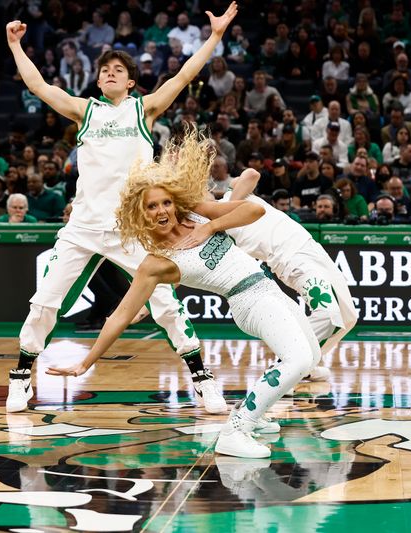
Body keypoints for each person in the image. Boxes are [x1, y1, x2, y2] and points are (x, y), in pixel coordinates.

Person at [4, 4, 238, 414]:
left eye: (118, 69)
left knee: (165, 304)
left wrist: (214, 37)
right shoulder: (84, 110)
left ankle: (202, 381)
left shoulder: (144, 108)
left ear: (131, 81)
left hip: (132, 230)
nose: (109, 72)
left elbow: (184, 76)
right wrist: (15, 46)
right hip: (83, 227)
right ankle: (21, 378)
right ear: (97, 79)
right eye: (104, 69)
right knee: (44, 302)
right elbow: (40, 86)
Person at [47, 130, 320, 459]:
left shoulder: (195, 213)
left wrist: (209, 225)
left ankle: (257, 414)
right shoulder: (156, 263)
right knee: (298, 359)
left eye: (165, 202)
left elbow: (254, 212)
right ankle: (237, 429)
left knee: (312, 356)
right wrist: (85, 362)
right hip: (248, 300)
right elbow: (119, 315)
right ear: (140, 214)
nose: (161, 210)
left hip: (267, 287)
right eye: (151, 206)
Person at [226, 171, 357, 363]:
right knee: (328, 315)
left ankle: (309, 365)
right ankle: (287, 366)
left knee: (348, 317)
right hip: (290, 259)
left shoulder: (231, 194)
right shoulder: (209, 225)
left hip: (309, 245)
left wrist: (230, 207)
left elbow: (252, 174)